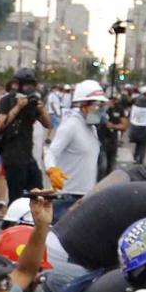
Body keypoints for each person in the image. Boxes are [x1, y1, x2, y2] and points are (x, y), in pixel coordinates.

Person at [0, 69, 52, 212]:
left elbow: (47, 124)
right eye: (25, 85)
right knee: (17, 198)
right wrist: (18, 106)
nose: (28, 88)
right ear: (17, 84)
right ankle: (14, 225)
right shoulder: (7, 100)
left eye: (31, 85)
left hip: (28, 157)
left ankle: (33, 224)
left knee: (37, 194)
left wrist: (41, 109)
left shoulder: (32, 101)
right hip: (12, 158)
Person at [44, 80, 105, 218]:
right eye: (97, 106)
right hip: (66, 198)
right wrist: (52, 170)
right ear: (84, 106)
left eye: (101, 105)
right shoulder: (71, 125)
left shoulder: (92, 128)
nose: (100, 110)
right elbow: (51, 152)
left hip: (85, 197)